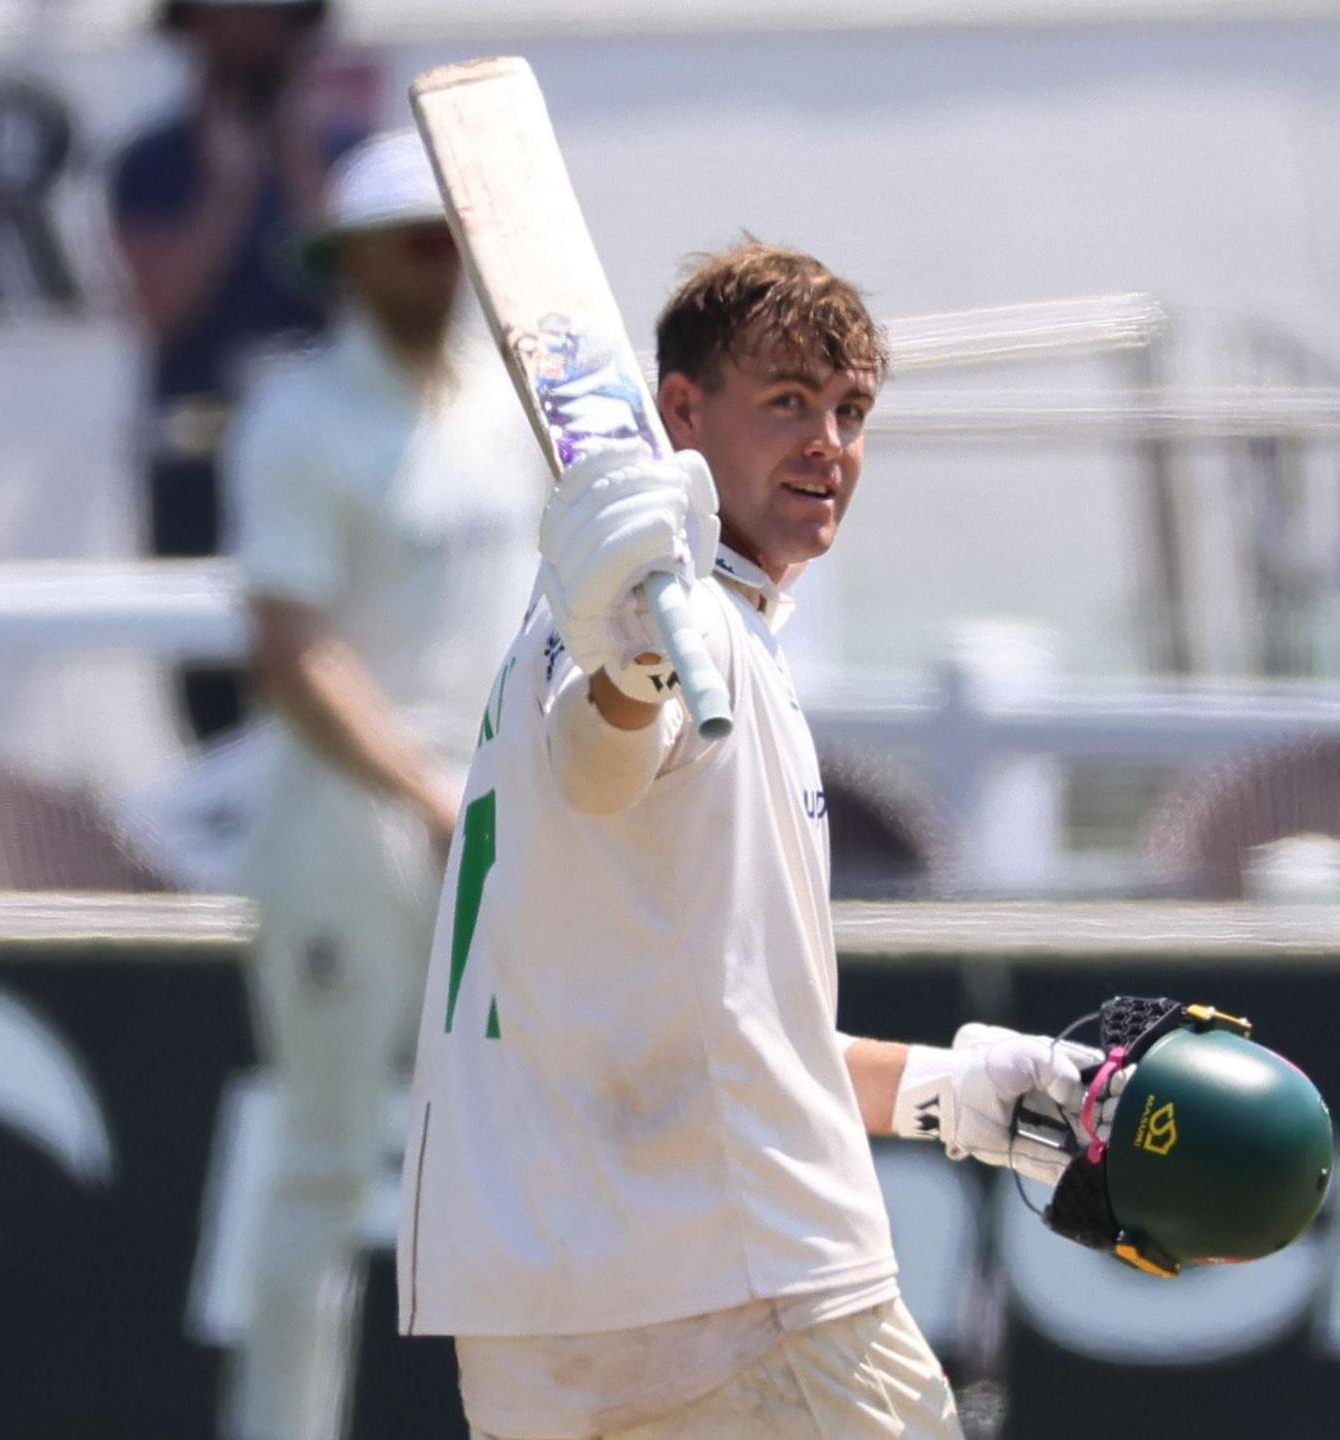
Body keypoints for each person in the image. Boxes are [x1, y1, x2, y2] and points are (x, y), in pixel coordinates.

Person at [398, 243, 1098, 1439]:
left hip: (532, 1313)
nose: (827, 443)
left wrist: (945, 1090)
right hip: (747, 1293)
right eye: (785, 402)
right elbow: (603, 749)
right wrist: (639, 663)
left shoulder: (622, 618)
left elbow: (698, 1032)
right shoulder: (660, 626)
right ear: (680, 412)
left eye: (850, 410)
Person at [220, 132, 542, 1440]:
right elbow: (290, 652)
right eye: (418, 240)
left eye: (454, 238)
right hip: (347, 828)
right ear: (352, 262)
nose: (443, 265)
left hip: (493, 826)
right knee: (322, 1163)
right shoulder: (299, 417)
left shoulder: (497, 405)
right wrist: (422, 794)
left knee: (517, 1164)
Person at [112, 0, 357, 744]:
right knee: (211, 696)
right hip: (199, 465)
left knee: (335, 661)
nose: (248, 29)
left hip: (328, 465)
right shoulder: (152, 161)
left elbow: (371, 295)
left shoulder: (347, 154)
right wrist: (227, 193)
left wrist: (302, 171)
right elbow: (158, 308)